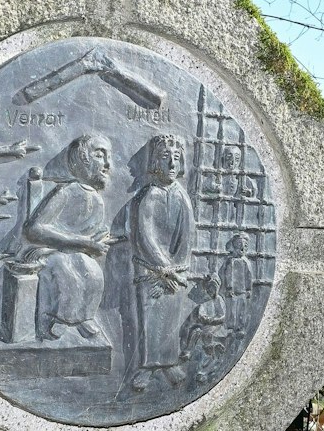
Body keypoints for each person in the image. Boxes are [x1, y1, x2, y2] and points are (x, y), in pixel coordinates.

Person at [21, 133, 115, 340]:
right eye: (100, 155)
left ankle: (82, 318)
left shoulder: (97, 201)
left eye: (109, 156)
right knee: (66, 273)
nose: (108, 164)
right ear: (82, 160)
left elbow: (90, 236)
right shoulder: (66, 191)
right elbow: (34, 229)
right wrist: (84, 242)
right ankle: (54, 318)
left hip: (78, 253)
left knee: (93, 274)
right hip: (49, 251)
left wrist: (98, 241)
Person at [129, 134, 195, 390]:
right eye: (166, 158)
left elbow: (187, 236)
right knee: (150, 316)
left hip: (176, 272)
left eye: (176, 159)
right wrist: (164, 267)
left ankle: (168, 363)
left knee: (171, 316)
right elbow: (145, 236)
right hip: (152, 270)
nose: (171, 165)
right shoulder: (149, 195)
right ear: (155, 161)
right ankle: (147, 366)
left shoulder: (182, 197)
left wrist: (178, 267)